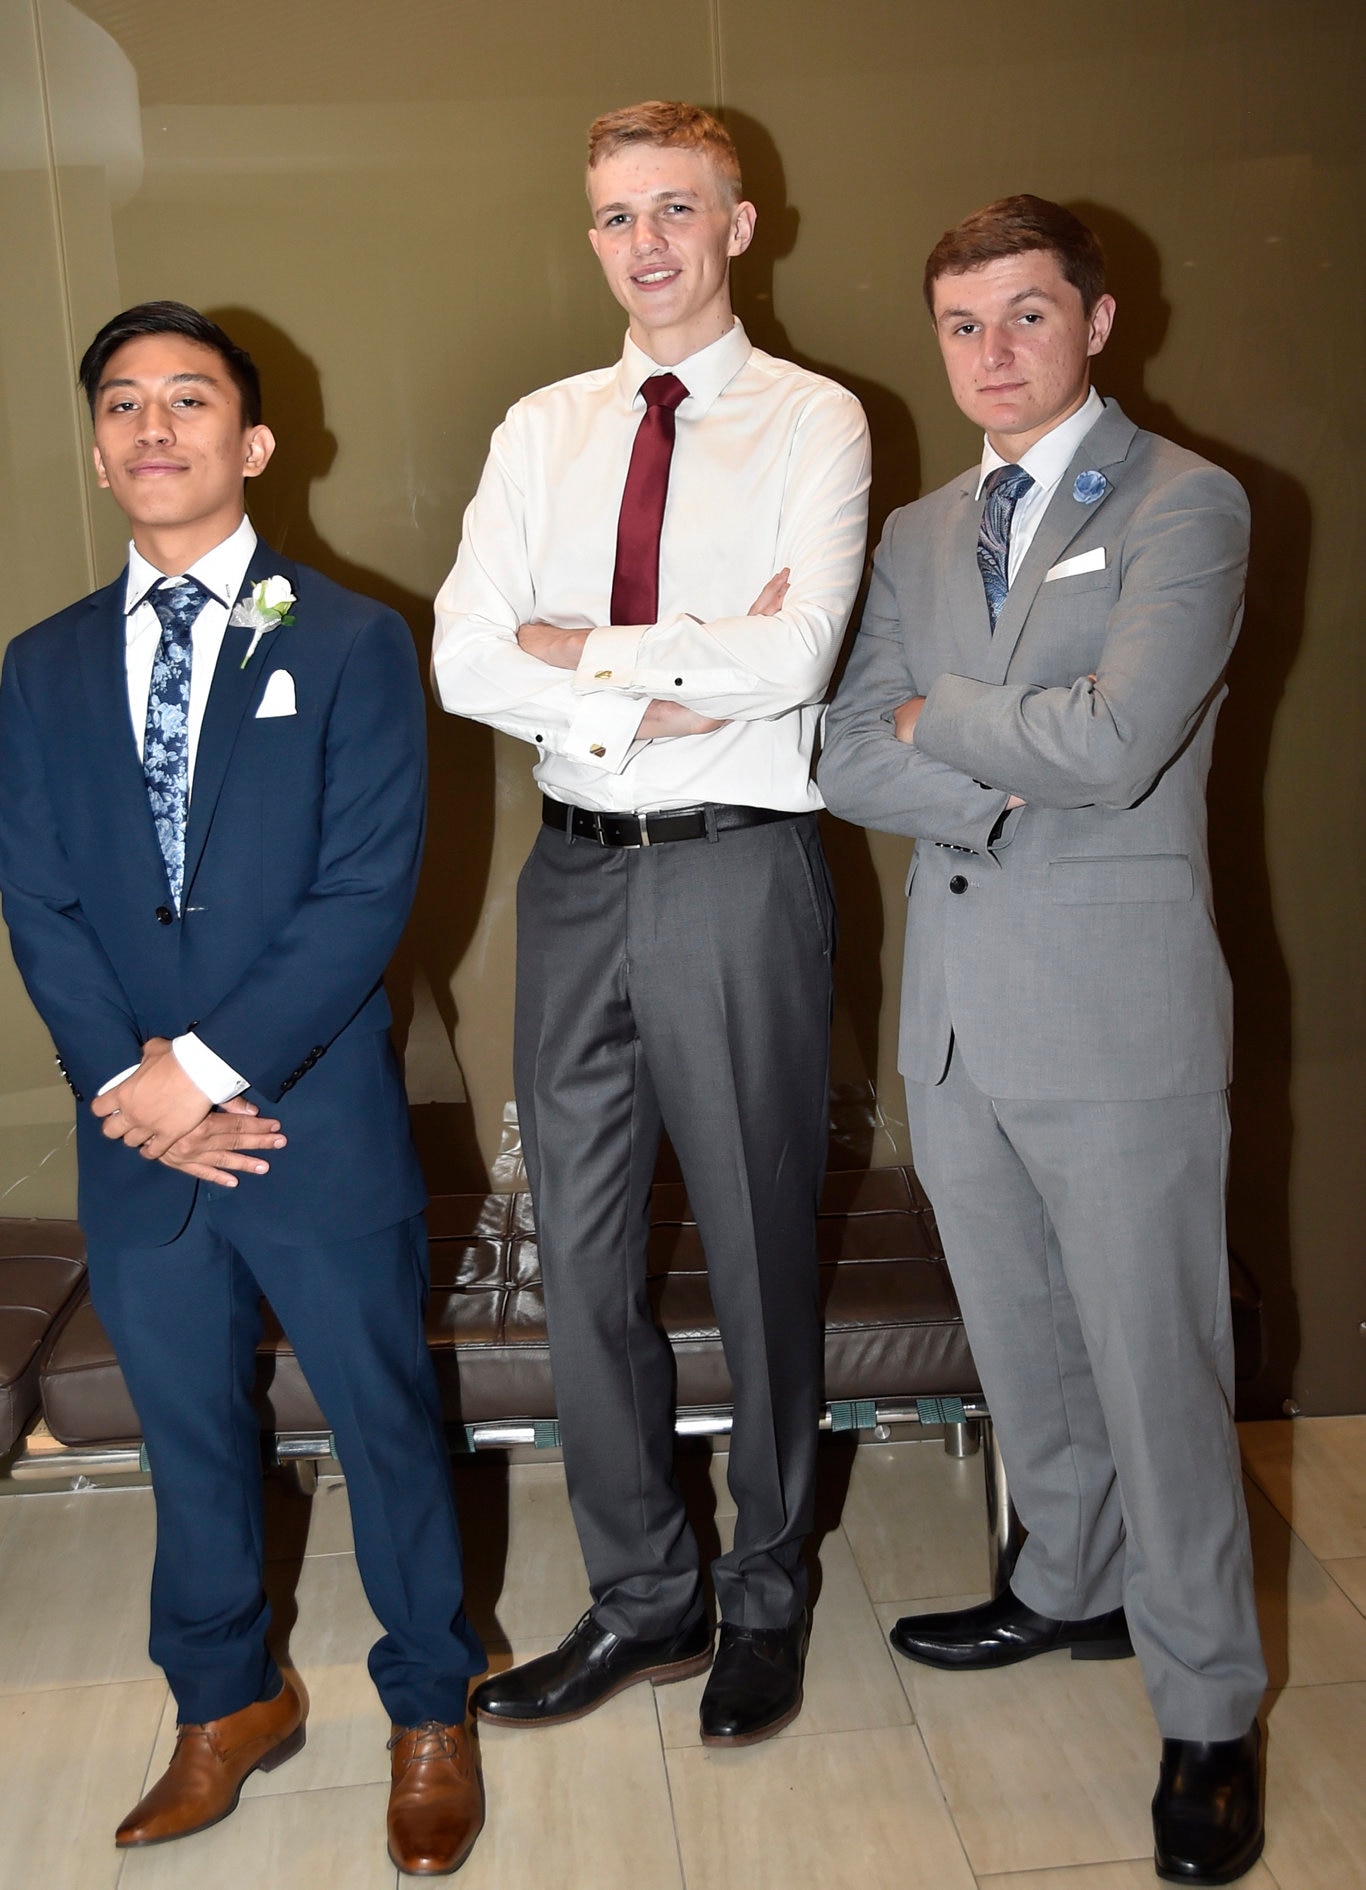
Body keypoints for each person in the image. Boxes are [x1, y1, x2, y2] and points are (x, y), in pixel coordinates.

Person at [0, 302, 486, 1876]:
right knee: (187, 1431)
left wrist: (202, 1072)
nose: (154, 425)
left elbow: (364, 892)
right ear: (94, 446)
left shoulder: (348, 638)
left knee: (384, 1416)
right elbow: (39, 898)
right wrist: (126, 1090)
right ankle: (225, 1700)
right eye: (124, 403)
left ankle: (428, 1705)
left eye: (188, 399)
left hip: (307, 1113)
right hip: (136, 1131)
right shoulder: (40, 663)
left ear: (252, 442)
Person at [819, 196, 1266, 1885]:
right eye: (960, 325)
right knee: (1021, 1347)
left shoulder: (1186, 498)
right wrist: (981, 751)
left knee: (1158, 1367)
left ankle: (1209, 1702)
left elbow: (1124, 735)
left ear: (1094, 320)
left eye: (1023, 316)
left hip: (1117, 1014)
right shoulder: (921, 532)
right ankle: (1062, 1584)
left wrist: (951, 725)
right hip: (954, 1017)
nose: (989, 354)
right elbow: (846, 751)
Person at [433, 101, 869, 1746]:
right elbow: (465, 658)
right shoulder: (541, 427)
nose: (645, 246)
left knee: (759, 1245)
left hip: (736, 863)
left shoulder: (815, 421)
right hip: (571, 874)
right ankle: (642, 1596)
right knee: (579, 1254)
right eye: (616, 217)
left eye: (675, 210)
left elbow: (798, 657)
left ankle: (765, 1591)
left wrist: (582, 659)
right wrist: (671, 667)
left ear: (740, 223)